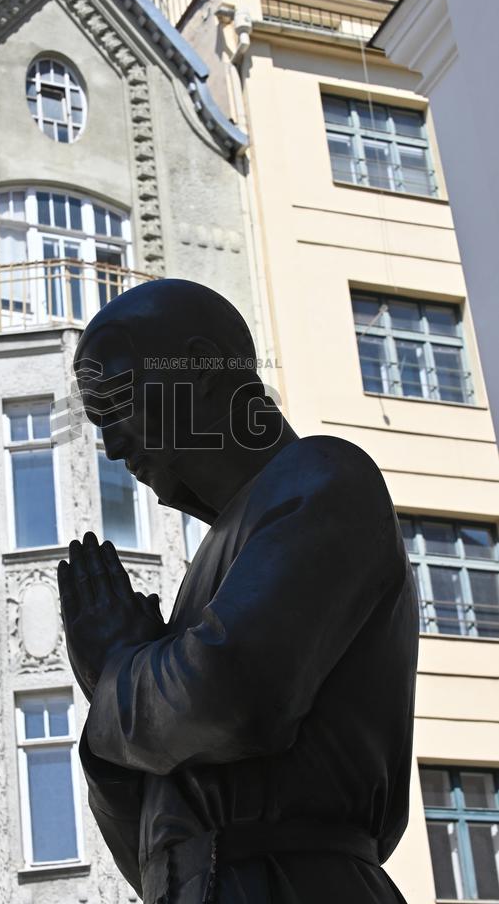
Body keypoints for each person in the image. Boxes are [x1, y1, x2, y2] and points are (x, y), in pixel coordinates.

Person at [57, 279, 418, 904]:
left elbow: (232, 694)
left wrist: (118, 670)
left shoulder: (324, 478)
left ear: (197, 371)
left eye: (118, 403)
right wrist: (113, 695)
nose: (111, 446)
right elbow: (152, 852)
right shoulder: (220, 560)